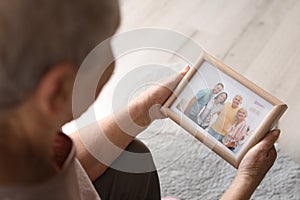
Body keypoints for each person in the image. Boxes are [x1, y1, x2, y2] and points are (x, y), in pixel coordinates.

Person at [0, 0, 281, 200]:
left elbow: (75, 169)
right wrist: (246, 180)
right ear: (57, 90)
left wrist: (144, 109)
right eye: (106, 45)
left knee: (129, 157)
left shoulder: (20, 130)